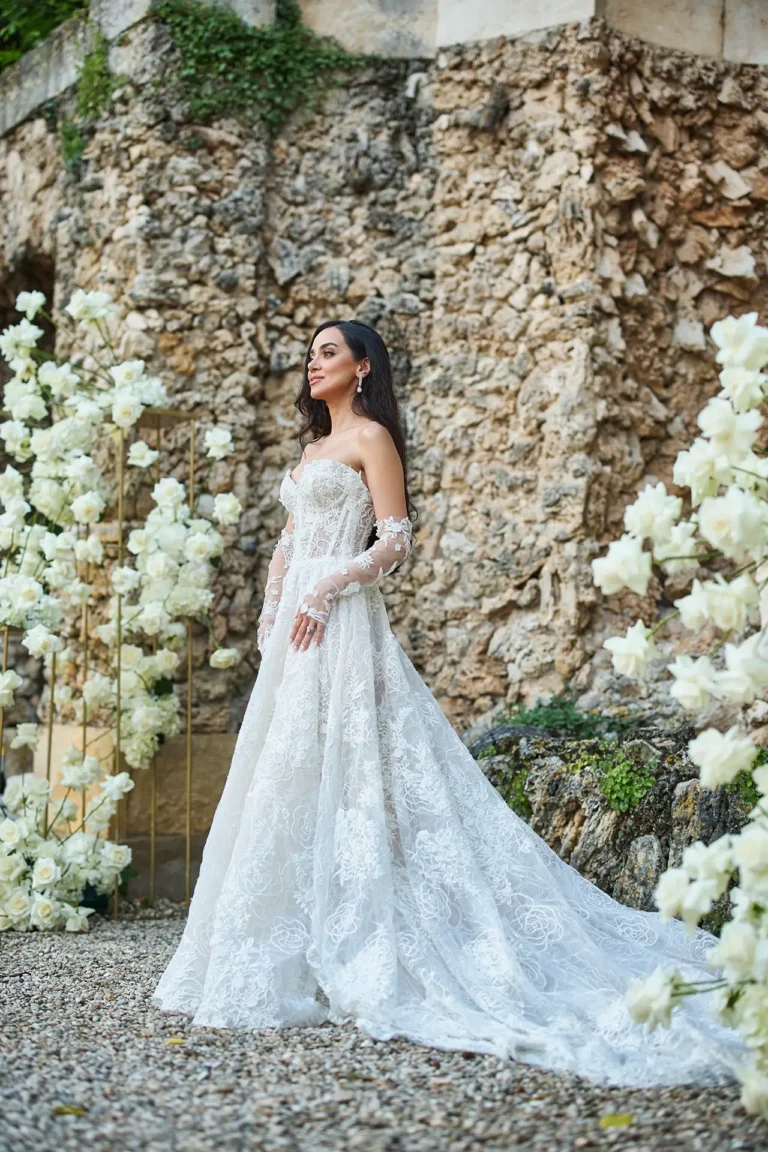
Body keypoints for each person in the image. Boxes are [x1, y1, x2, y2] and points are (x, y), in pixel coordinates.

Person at [153, 320, 745, 1087]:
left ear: (363, 368)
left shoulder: (372, 439)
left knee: (357, 764)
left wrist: (332, 583)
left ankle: (376, 928)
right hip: (293, 634)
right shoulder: (308, 454)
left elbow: (395, 539)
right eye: (313, 352)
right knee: (284, 772)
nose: (315, 361)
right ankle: (279, 945)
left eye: (330, 351)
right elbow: (288, 539)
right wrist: (272, 611)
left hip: (342, 620)